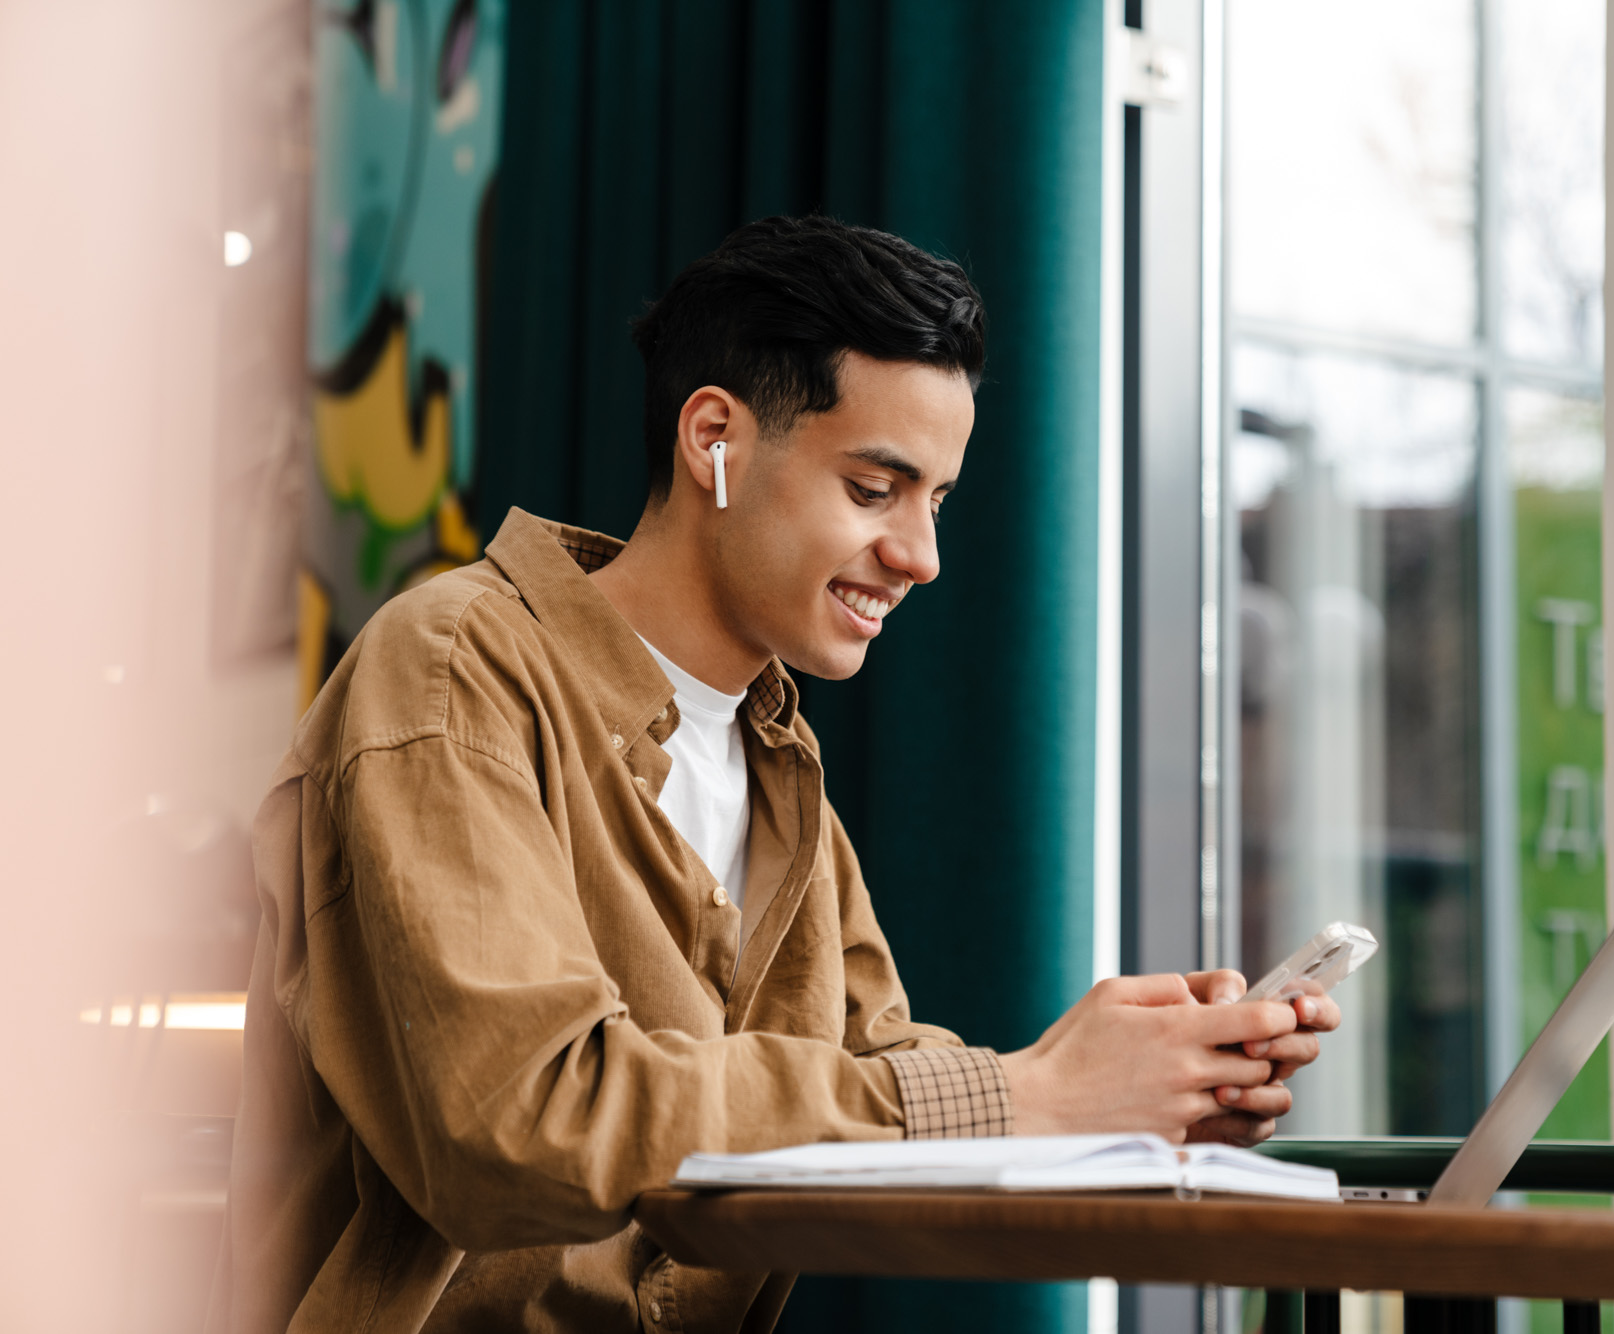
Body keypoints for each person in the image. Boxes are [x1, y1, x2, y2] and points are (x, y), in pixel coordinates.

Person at [209, 216, 1338, 1334]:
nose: (921, 554)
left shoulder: (774, 759)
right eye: (872, 488)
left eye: (934, 499)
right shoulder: (451, 672)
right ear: (716, 439)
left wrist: (1124, 1087)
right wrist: (1031, 1096)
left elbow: (874, 1071)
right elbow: (526, 1117)